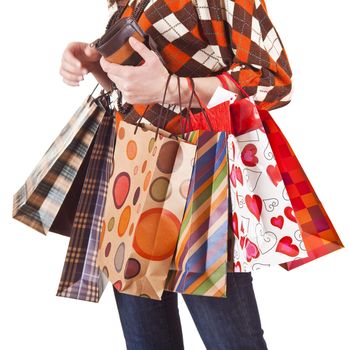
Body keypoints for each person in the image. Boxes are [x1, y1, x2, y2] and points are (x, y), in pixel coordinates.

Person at [59, 1, 293, 348]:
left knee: (231, 341)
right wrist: (100, 68)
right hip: (132, 168)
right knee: (147, 340)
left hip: (202, 174)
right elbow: (143, 88)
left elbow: (275, 82)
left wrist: (176, 86)